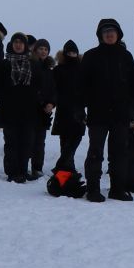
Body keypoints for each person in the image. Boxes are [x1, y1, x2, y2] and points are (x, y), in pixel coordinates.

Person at [80, 17, 134, 202]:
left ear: (118, 34)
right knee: (95, 152)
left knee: (119, 153)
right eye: (105, 32)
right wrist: (79, 109)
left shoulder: (126, 56)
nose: (109, 34)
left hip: (121, 114)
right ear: (100, 35)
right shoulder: (91, 56)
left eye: (112, 31)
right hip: (98, 114)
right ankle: (92, 189)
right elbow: (81, 87)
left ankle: (117, 189)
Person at [0, 32, 43, 182]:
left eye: (21, 42)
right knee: (11, 142)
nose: (18, 45)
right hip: (9, 109)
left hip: (29, 110)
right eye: (15, 42)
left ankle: (23, 170)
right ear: (11, 44)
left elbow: (39, 87)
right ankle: (12, 172)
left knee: (26, 142)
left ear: (25, 46)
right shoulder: (4, 64)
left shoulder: (33, 64)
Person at [50, 39, 86, 175]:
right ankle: (66, 168)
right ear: (65, 54)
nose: (72, 55)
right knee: (65, 140)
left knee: (76, 137)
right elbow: (53, 88)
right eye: (69, 52)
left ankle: (63, 166)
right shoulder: (58, 70)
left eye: (74, 52)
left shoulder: (82, 70)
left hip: (79, 110)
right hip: (64, 110)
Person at [28, 38, 57, 179]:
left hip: (44, 111)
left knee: (40, 140)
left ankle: (37, 167)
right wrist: (39, 101)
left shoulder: (50, 70)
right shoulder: (30, 65)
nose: (43, 51)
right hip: (31, 108)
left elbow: (53, 90)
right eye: (41, 48)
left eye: (46, 49)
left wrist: (51, 103)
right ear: (35, 50)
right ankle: (22, 166)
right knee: (29, 139)